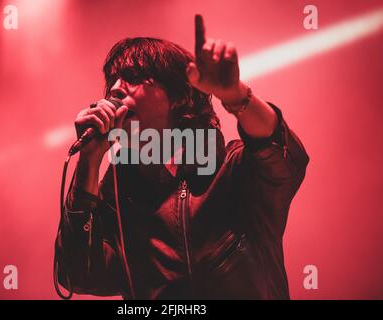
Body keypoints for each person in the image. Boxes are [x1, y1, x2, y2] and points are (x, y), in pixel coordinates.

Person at [54, 28, 309, 299]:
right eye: (113, 81)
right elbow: (77, 276)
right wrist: (90, 160)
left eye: (132, 77)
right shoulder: (119, 193)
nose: (115, 87)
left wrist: (235, 94)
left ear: (178, 96)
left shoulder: (231, 169)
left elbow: (281, 156)